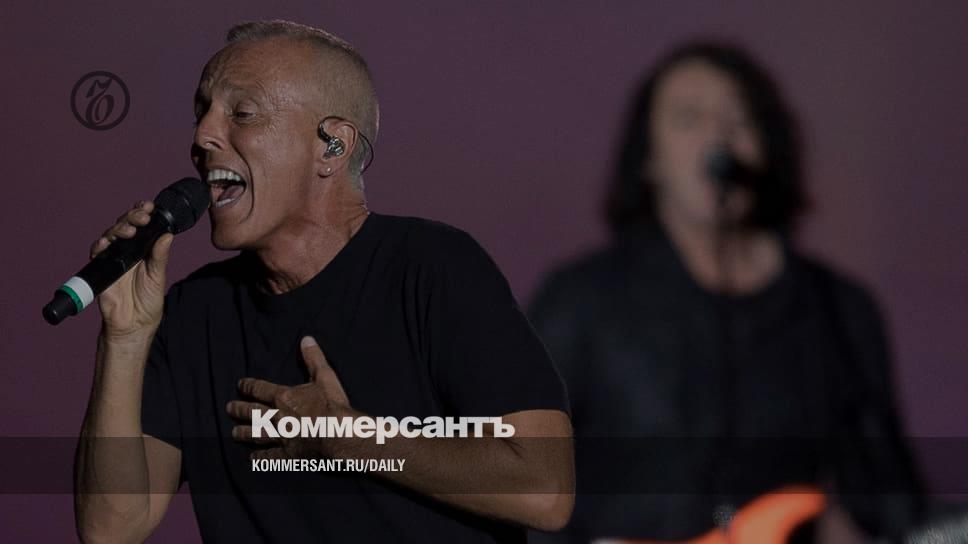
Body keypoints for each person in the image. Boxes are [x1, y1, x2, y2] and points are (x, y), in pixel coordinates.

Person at [73, 20, 573, 544]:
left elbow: (545, 490)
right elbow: (111, 528)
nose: (201, 138)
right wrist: (124, 338)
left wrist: (351, 438)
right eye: (202, 112)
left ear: (333, 145)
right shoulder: (194, 314)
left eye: (242, 113)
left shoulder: (432, 267)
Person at [528, 42, 922, 543]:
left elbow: (893, 497)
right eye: (688, 119)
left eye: (739, 120)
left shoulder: (839, 309)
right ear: (649, 160)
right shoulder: (580, 301)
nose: (718, 136)